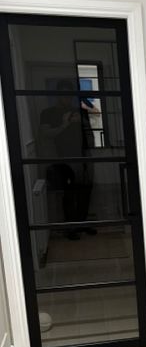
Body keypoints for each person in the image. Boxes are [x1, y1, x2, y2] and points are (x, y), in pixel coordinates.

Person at [38, 81, 94, 239]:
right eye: (63, 94)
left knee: (85, 191)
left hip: (84, 156)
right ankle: (70, 228)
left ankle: (82, 224)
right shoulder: (48, 113)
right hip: (62, 157)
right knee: (69, 193)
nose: (66, 98)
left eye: (69, 95)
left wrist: (81, 122)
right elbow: (45, 134)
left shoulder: (80, 112)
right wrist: (66, 123)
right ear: (57, 95)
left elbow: (90, 134)